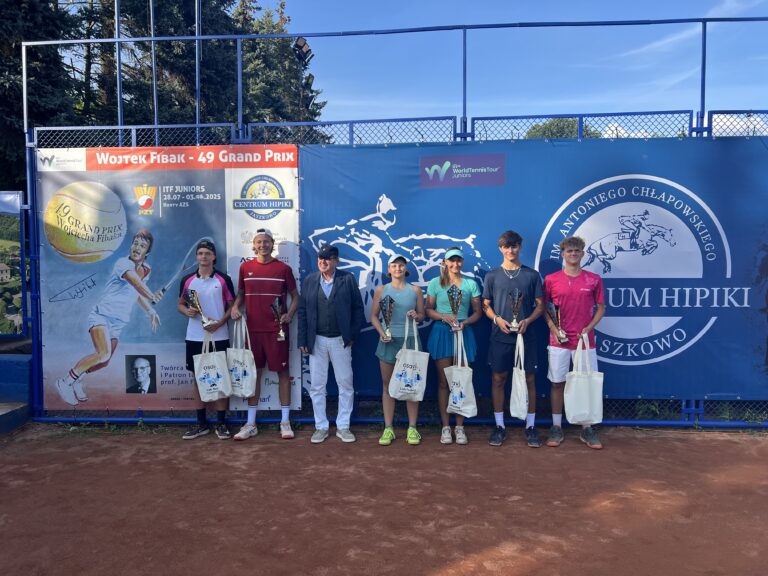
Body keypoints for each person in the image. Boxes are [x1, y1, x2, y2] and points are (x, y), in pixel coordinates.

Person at [55, 229, 163, 406]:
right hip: (101, 316)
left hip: (118, 323)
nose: (137, 248)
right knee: (103, 353)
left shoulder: (146, 270)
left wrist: (151, 311)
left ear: (147, 252)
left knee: (104, 362)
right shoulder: (123, 263)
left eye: (142, 246)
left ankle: (78, 379)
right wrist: (152, 296)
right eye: (135, 243)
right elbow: (136, 283)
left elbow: (136, 293)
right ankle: (65, 382)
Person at [230, 228, 299, 441]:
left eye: (266, 241)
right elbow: (241, 294)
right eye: (259, 242)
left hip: (277, 331)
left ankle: (285, 422)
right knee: (254, 375)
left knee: (283, 374)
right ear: (253, 245)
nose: (262, 245)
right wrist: (235, 307)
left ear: (272, 244)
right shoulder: (245, 267)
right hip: (252, 331)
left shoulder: (283, 269)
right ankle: (251, 423)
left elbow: (296, 296)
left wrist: (289, 314)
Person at [482, 231, 544, 447]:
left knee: (529, 380)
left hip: (526, 337)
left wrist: (528, 320)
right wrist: (497, 319)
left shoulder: (532, 275)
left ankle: (531, 426)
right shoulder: (492, 276)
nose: (511, 250)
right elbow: (485, 305)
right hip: (500, 337)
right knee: (498, 379)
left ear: (520, 247)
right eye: (506, 247)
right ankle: (499, 426)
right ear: (501, 249)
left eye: (514, 246)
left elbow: (540, 305)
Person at [543, 235, 606, 450]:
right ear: (563, 254)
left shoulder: (593, 279)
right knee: (557, 383)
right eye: (569, 251)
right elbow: (545, 308)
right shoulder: (551, 279)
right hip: (558, 341)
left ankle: (586, 428)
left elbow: (601, 308)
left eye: (577, 251)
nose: (573, 254)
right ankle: (556, 426)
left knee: (585, 383)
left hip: (584, 342)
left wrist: (589, 328)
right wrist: (553, 328)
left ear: (582, 254)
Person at [297, 243, 364, 444]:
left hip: (340, 341)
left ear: (336, 261)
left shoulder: (347, 279)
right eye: (321, 258)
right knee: (317, 386)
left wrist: (351, 335)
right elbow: (302, 311)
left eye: (327, 258)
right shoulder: (310, 280)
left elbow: (358, 309)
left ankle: (343, 426)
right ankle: (321, 426)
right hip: (316, 340)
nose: (323, 262)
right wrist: (303, 339)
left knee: (346, 384)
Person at [177, 239, 236, 440]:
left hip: (219, 336)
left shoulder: (223, 279)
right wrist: (187, 311)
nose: (204, 256)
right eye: (201, 253)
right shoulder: (187, 280)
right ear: (197, 256)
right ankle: (201, 423)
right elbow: (180, 304)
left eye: (207, 253)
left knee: (220, 378)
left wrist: (220, 323)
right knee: (197, 379)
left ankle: (221, 422)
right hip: (194, 337)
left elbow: (232, 307)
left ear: (214, 257)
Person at [425, 247, 483, 445]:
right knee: (444, 382)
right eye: (452, 260)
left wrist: (464, 323)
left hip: (463, 333)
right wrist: (444, 317)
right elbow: (428, 310)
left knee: (461, 380)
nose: (455, 264)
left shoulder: (470, 284)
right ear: (445, 262)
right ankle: (445, 427)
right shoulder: (435, 283)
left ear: (462, 262)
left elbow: (477, 312)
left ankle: (459, 427)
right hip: (442, 333)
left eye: (459, 260)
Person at [370, 254, 426, 446]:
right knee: (387, 387)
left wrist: (416, 315)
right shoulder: (381, 290)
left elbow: (422, 315)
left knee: (411, 386)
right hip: (388, 342)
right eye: (394, 265)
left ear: (406, 268)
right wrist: (381, 332)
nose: (398, 268)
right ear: (389, 269)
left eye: (401, 265)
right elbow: (374, 316)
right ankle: (388, 428)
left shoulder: (415, 290)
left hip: (410, 341)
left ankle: (412, 428)